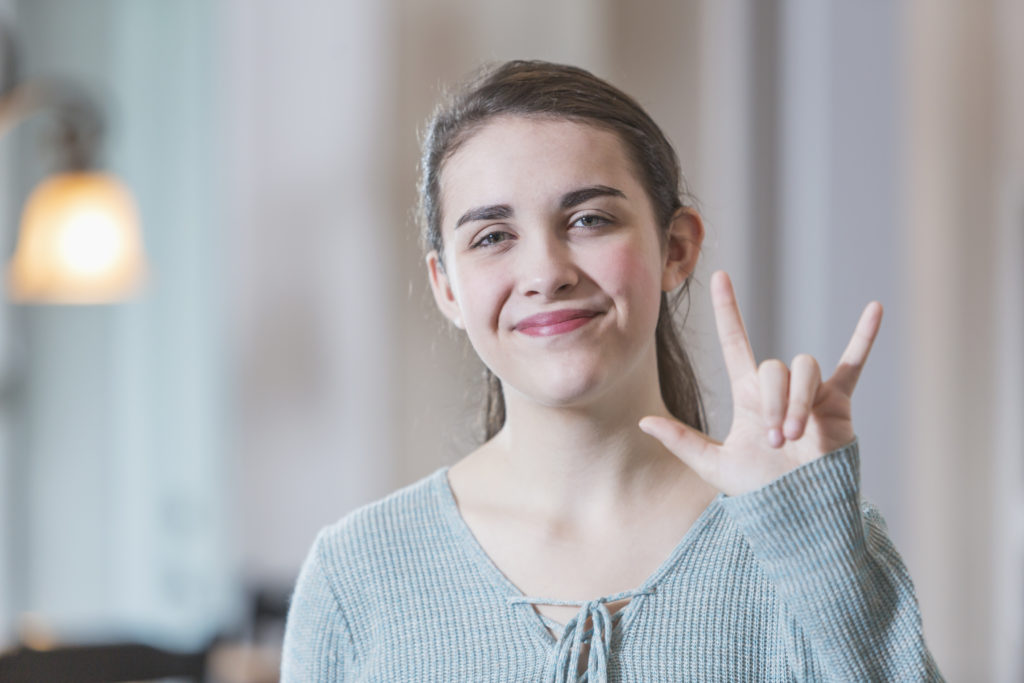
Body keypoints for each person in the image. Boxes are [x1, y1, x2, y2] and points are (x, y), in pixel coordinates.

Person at [281, 60, 943, 682]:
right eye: (491, 236)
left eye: (590, 219)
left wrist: (811, 544)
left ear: (677, 248)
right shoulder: (356, 574)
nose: (545, 272)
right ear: (446, 287)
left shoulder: (805, 542)